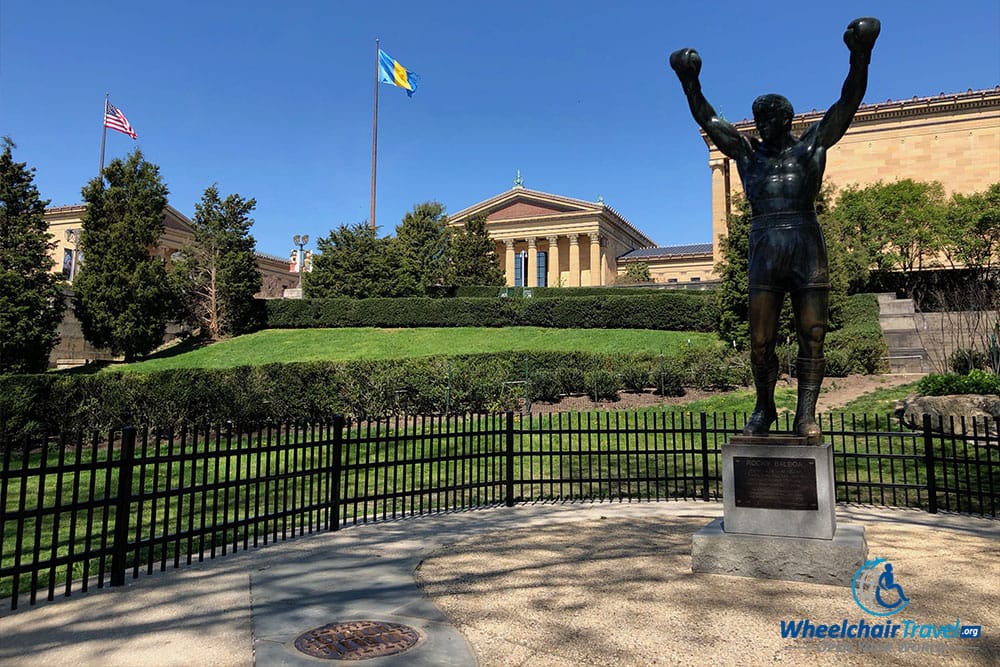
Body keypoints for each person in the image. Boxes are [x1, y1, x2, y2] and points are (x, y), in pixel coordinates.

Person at [669, 17, 880, 440]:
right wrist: (689, 80)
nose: (760, 124)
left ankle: (806, 414)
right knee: (760, 340)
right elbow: (709, 120)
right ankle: (764, 408)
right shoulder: (748, 157)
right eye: (757, 118)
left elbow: (849, 99)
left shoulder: (812, 146)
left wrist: (861, 54)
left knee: (813, 334)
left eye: (768, 118)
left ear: (786, 120)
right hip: (764, 244)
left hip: (805, 241)